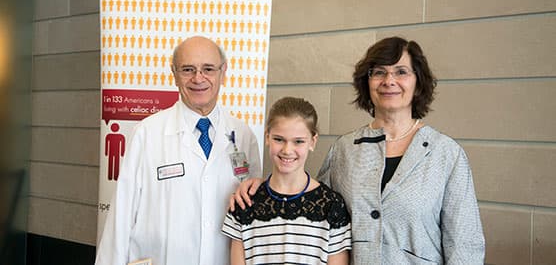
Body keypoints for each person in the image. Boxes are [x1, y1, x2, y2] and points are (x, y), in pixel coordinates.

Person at [231, 37, 485, 264]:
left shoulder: (446, 155)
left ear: (418, 82)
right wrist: (257, 186)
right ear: (367, 82)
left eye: (401, 72)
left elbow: (465, 246)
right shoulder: (345, 149)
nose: (389, 81)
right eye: (379, 72)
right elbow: (311, 205)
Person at [95, 36, 262, 265]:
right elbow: (120, 218)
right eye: (188, 69)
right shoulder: (146, 133)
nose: (198, 78)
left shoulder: (244, 136)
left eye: (208, 69)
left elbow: (252, 217)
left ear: (223, 72)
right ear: (174, 73)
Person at [222, 97, 351, 265]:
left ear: (313, 141)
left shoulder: (332, 206)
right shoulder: (245, 202)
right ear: (267, 137)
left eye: (298, 141)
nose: (287, 150)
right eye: (279, 139)